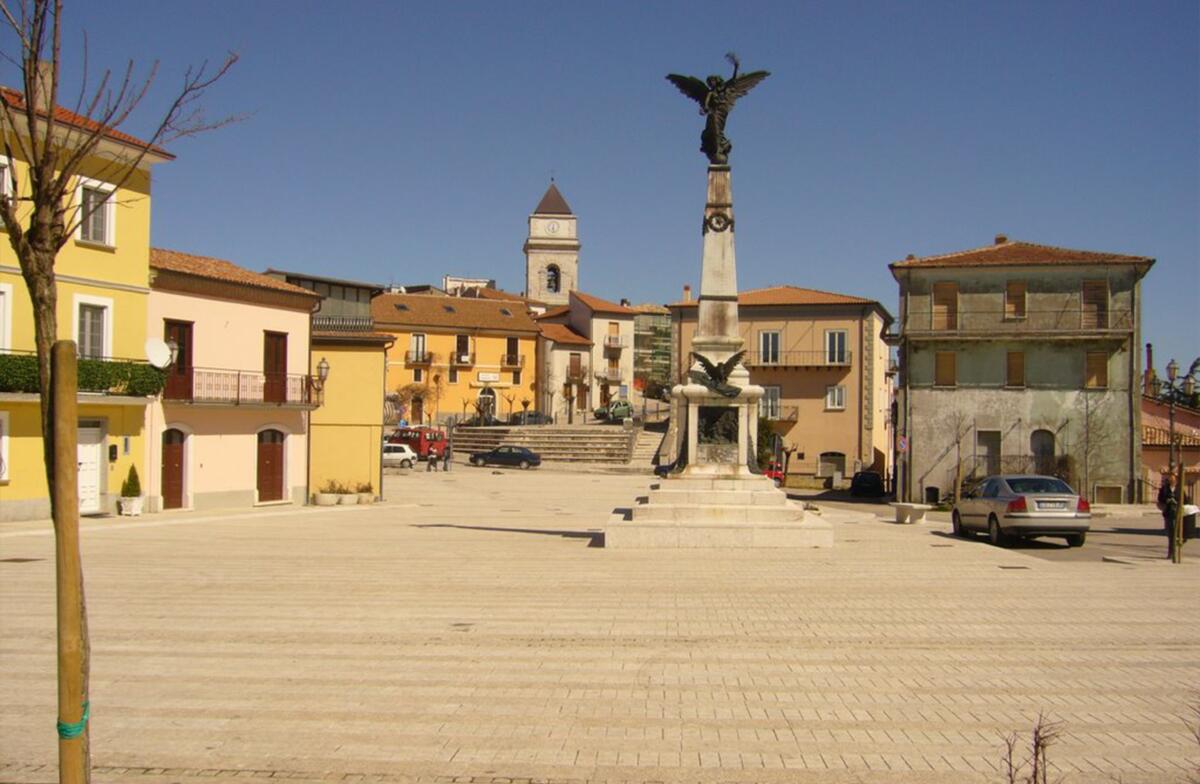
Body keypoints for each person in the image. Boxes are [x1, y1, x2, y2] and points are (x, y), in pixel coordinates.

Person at [1159, 474, 1178, 558]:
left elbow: (1185, 499)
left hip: (1177, 513)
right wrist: (1166, 500)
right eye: (1170, 479)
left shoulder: (1179, 489)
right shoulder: (1164, 489)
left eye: (1173, 479)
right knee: (1170, 533)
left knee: (1176, 533)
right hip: (1168, 513)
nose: (1171, 480)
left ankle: (1175, 550)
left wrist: (1176, 501)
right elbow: (1160, 499)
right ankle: (1171, 552)